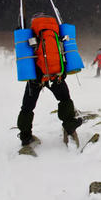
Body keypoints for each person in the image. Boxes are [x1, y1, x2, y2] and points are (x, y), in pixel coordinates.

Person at [17, 13, 82, 146]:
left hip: (36, 77)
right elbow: (63, 52)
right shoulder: (55, 32)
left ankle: (25, 136)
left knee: (27, 107)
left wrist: (20, 31)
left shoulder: (31, 34)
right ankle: (69, 125)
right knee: (65, 99)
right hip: (55, 75)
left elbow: (25, 53)